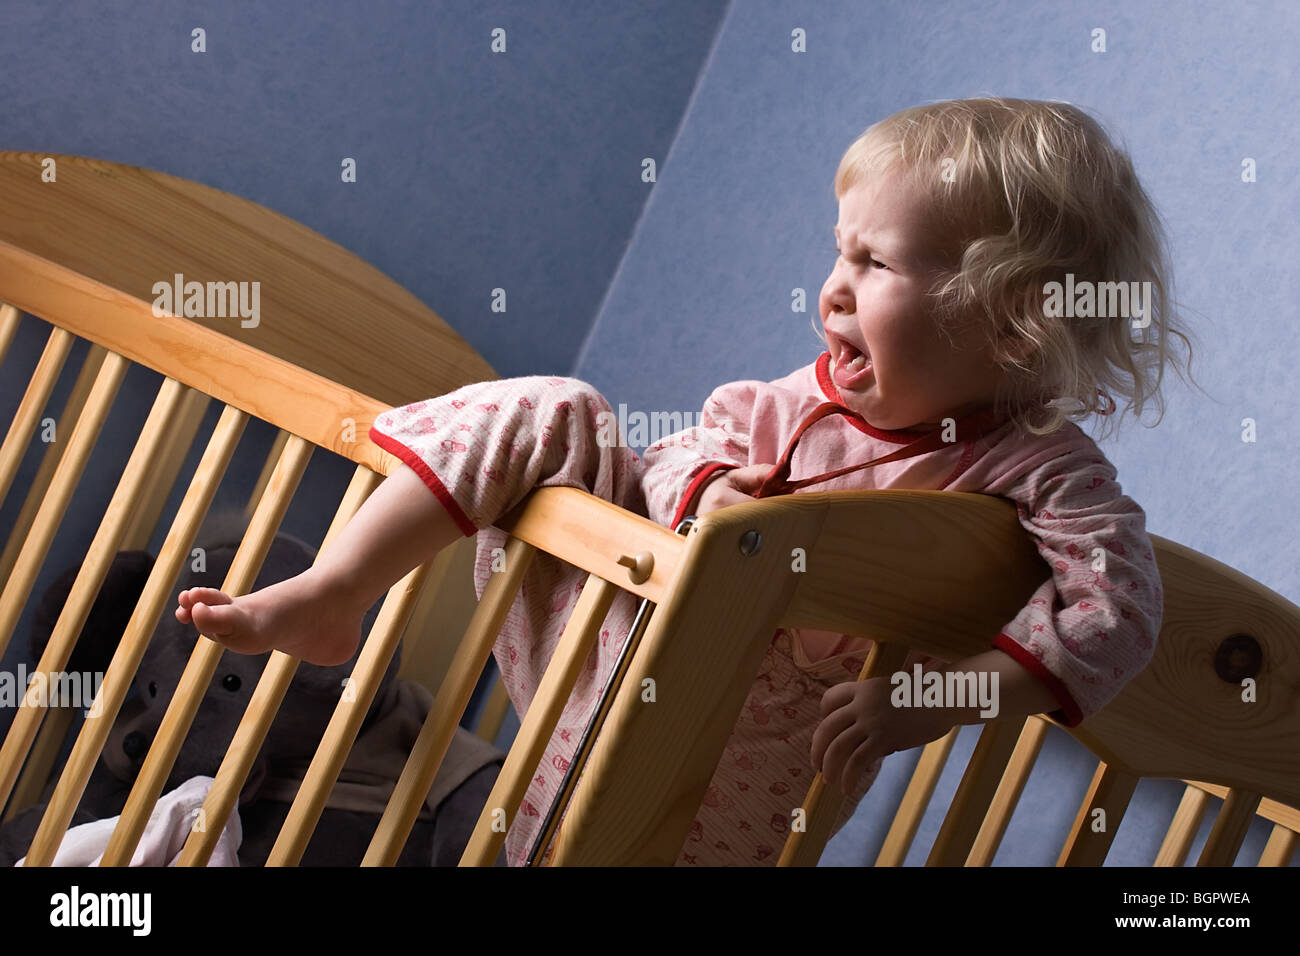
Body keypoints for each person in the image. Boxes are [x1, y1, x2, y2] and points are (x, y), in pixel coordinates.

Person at [176, 97, 1197, 866]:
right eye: (837, 252)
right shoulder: (800, 400)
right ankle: (337, 589)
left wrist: (941, 691)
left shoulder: (1038, 468)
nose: (832, 288)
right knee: (551, 406)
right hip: (602, 653)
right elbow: (688, 442)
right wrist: (707, 493)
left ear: (1011, 319)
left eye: (876, 263)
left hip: (744, 778)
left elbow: (1118, 605)